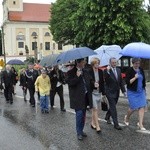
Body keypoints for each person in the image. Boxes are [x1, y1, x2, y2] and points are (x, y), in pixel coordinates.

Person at [66, 58, 93, 140]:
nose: (84, 63)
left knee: (83, 115)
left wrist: (94, 84)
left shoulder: (85, 71)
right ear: (78, 63)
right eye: (83, 62)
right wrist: (77, 77)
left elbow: (89, 81)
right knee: (79, 114)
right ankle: (78, 133)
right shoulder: (70, 72)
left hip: (85, 96)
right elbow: (70, 83)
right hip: (77, 97)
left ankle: (81, 130)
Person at [124, 58, 147, 130]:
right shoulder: (129, 70)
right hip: (132, 92)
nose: (137, 65)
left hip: (141, 91)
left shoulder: (141, 69)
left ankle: (140, 124)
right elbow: (127, 82)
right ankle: (127, 118)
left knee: (142, 107)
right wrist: (135, 77)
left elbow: (143, 80)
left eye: (138, 63)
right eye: (136, 63)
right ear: (132, 63)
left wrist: (144, 89)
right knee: (133, 107)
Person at [104, 57, 126, 130]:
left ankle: (107, 116)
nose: (114, 64)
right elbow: (105, 80)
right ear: (110, 63)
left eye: (115, 62)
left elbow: (121, 81)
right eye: (112, 62)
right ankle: (116, 124)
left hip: (116, 92)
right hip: (109, 92)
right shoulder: (106, 70)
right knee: (113, 107)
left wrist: (124, 91)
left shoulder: (118, 70)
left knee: (113, 106)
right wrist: (107, 71)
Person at [89, 58, 105, 133]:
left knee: (97, 109)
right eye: (96, 63)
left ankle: (92, 123)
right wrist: (93, 83)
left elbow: (102, 83)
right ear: (93, 64)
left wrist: (104, 93)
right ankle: (97, 126)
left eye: (98, 63)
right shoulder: (89, 71)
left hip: (99, 92)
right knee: (95, 109)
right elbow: (89, 80)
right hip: (92, 92)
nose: (97, 65)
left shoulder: (101, 71)